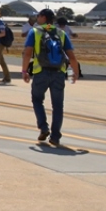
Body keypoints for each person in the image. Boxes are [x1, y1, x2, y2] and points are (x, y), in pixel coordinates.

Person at [22, 8, 82, 146]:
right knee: (58, 106)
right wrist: (75, 72)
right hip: (58, 73)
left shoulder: (35, 31)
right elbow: (71, 55)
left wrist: (24, 71)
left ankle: (43, 127)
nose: (37, 18)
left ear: (43, 17)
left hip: (40, 72)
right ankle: (55, 136)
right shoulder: (60, 32)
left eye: (38, 15)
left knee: (37, 100)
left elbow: (27, 53)